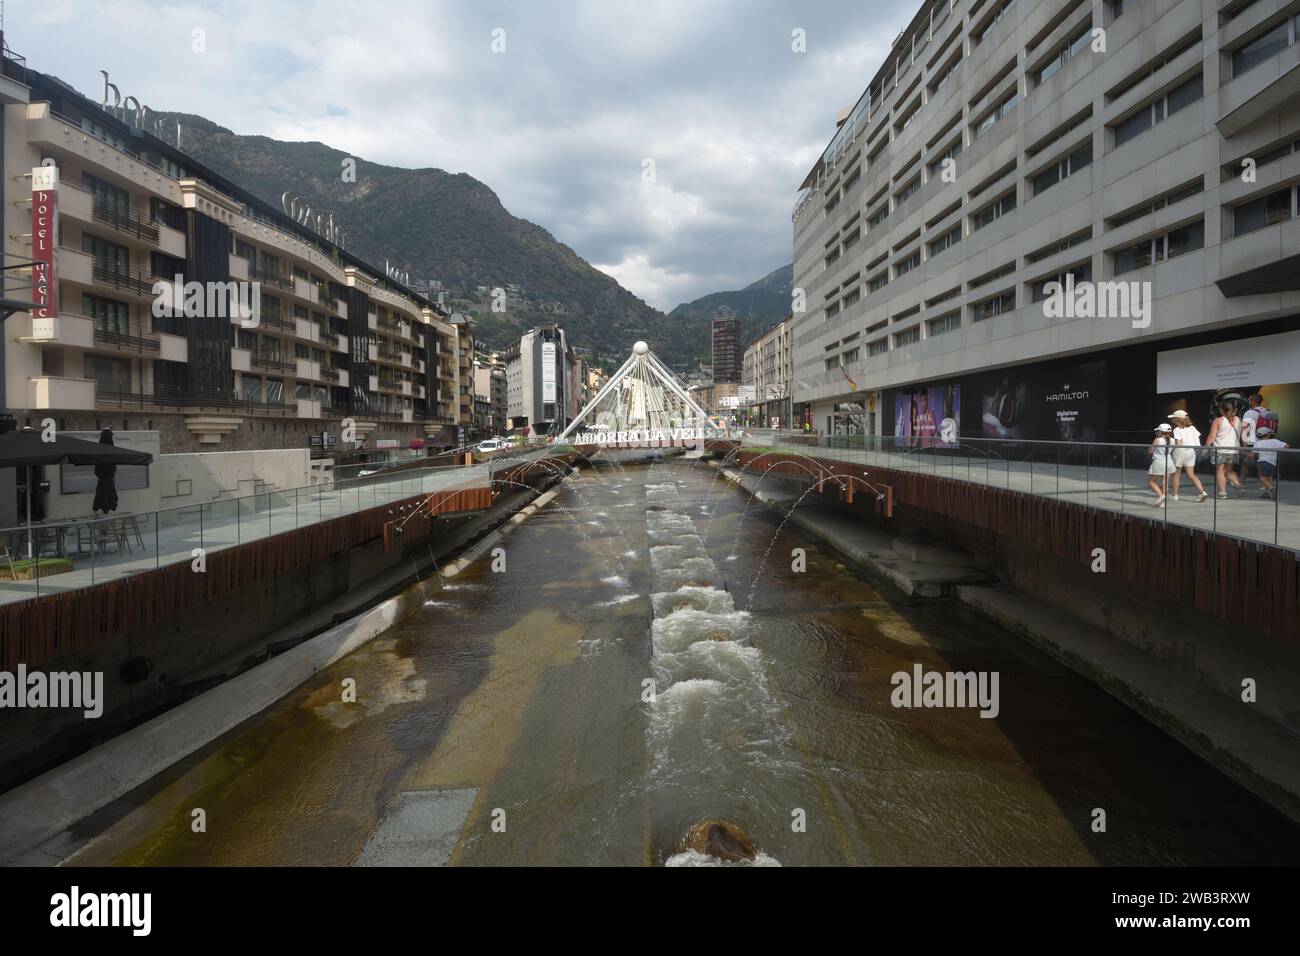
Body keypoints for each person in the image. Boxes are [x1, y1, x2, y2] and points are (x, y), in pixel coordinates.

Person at [1206, 400, 1246, 498]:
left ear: (1221, 410)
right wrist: (1244, 447)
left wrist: (1206, 447)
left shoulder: (1218, 421)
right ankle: (1238, 484)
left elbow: (1212, 436)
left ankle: (1222, 493)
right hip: (1233, 450)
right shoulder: (1239, 420)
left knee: (1220, 471)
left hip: (1220, 450)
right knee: (1228, 470)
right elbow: (1244, 435)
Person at [1168, 410, 1208, 501]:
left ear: (1177, 419)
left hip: (1180, 452)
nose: (1173, 419)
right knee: (1191, 474)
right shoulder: (1193, 428)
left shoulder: (1177, 430)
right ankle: (1202, 492)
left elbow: (1178, 444)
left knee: (1176, 474)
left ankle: (1175, 495)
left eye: (1174, 418)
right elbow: (1197, 441)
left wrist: (1171, 446)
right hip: (1191, 452)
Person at [1253, 426, 1288, 500]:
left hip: (1262, 462)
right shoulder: (1275, 441)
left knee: (1262, 478)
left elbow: (1254, 453)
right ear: (1268, 434)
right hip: (1273, 463)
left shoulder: (1258, 443)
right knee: (1270, 477)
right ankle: (1268, 493)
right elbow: (1286, 446)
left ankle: (1271, 489)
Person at [1240, 393, 1268, 484]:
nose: (1248, 401)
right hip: (1265, 443)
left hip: (1252, 443)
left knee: (1245, 464)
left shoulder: (1249, 413)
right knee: (1262, 464)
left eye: (1250, 399)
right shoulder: (1267, 411)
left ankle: (1241, 485)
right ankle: (1267, 486)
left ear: (1253, 401)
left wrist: (1244, 446)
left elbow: (1244, 429)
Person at [1146, 423, 1176, 507]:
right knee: (1165, 482)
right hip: (1169, 461)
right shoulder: (1173, 440)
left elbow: (1150, 451)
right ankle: (1162, 502)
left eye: (1158, 431)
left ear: (1161, 432)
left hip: (1159, 461)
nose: (1157, 432)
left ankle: (1160, 495)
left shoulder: (1157, 440)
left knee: (1151, 481)